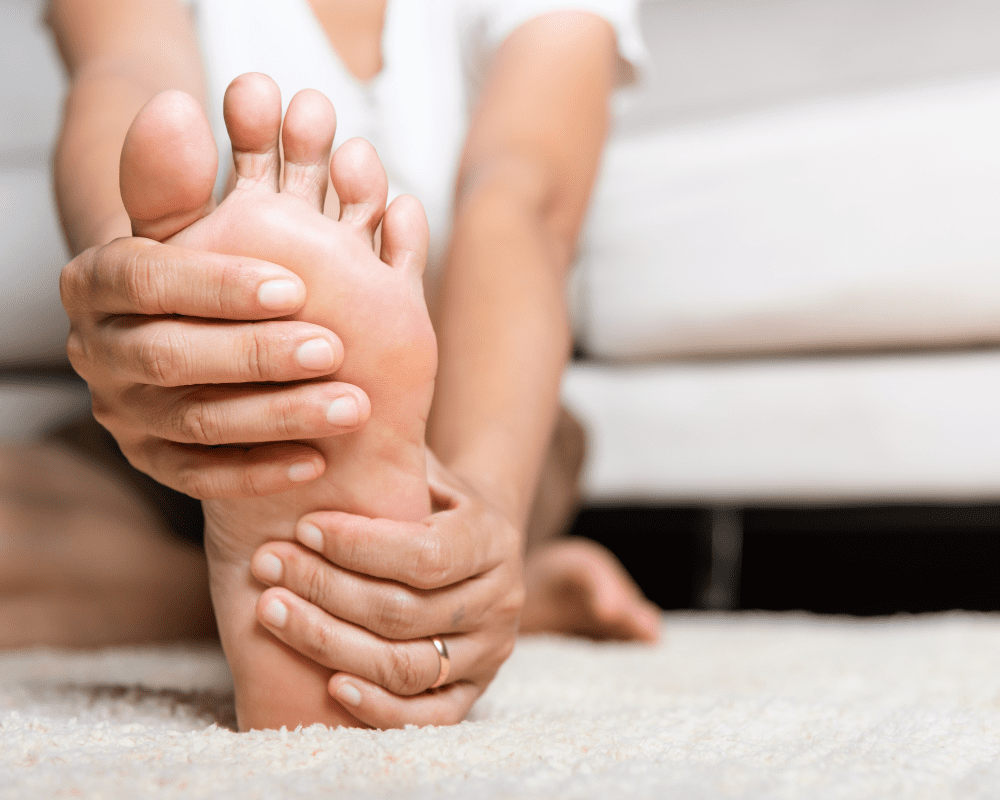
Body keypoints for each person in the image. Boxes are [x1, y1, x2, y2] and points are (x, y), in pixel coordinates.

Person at [13, 0, 659, 730]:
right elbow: (122, 73)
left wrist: (487, 500)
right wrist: (138, 291)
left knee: (441, 472)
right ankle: (354, 599)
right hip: (193, 401)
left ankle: (333, 574)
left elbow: (521, 197)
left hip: (461, 421)